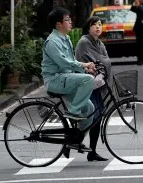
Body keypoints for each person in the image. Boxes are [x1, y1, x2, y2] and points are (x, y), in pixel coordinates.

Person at [42, 8, 97, 131]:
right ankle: (72, 113)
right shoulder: (52, 41)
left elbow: (72, 62)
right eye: (67, 19)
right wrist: (84, 65)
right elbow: (63, 63)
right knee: (88, 80)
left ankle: (76, 139)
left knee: (89, 109)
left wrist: (85, 68)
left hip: (66, 79)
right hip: (55, 79)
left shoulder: (65, 39)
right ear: (58, 24)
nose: (71, 22)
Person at [75, 17, 113, 162]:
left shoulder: (99, 43)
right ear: (88, 27)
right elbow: (102, 61)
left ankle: (93, 151)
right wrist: (104, 64)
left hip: (97, 83)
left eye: (100, 25)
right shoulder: (85, 42)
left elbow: (103, 61)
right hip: (86, 83)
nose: (98, 27)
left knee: (98, 116)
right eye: (94, 25)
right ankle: (76, 141)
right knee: (93, 116)